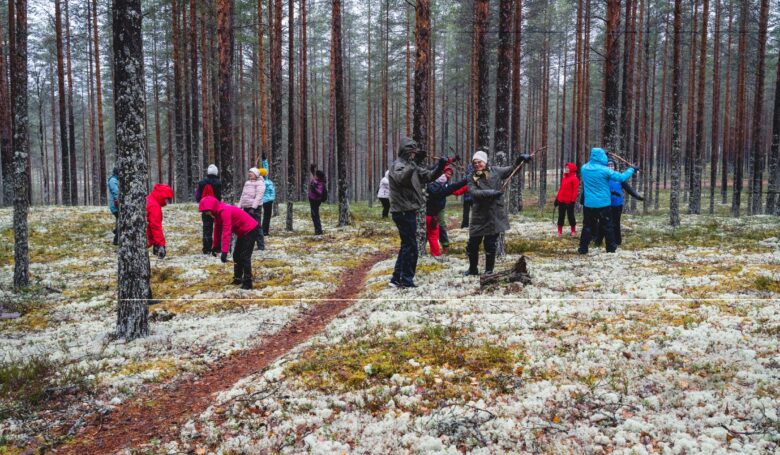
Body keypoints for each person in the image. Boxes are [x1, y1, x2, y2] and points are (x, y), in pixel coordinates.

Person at [388, 137, 448, 288]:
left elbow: (428, 176)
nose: (414, 154)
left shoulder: (410, 165)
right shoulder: (398, 165)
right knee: (411, 246)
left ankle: (396, 279)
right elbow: (401, 178)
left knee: (407, 245)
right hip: (402, 211)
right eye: (412, 151)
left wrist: (440, 167)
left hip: (408, 210)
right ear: (405, 151)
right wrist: (414, 164)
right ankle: (406, 280)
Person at [465, 150, 531, 276]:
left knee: (490, 244)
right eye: (475, 163)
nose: (477, 165)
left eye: (480, 162)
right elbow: (473, 192)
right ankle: (472, 269)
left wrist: (519, 160)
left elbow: (513, 170)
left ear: (485, 162)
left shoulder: (495, 171)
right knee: (472, 244)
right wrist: (492, 193)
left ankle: (489, 271)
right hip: (479, 215)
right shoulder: (472, 176)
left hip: (494, 214)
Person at [577, 148, 636, 254]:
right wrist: (632, 169)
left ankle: (583, 248)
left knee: (587, 226)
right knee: (608, 226)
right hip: (603, 204)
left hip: (589, 204)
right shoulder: (605, 170)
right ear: (602, 157)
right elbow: (621, 178)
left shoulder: (584, 168)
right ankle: (611, 248)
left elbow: (594, 162)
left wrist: (603, 154)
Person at [199, 196, 260, 290]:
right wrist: (215, 247)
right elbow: (217, 230)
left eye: (207, 211)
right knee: (236, 255)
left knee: (244, 256)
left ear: (212, 208)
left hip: (250, 230)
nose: (206, 214)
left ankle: (248, 282)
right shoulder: (218, 214)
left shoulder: (225, 211)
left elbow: (226, 232)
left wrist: (224, 251)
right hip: (242, 232)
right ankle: (238, 278)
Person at [594, 160, 644, 247]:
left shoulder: (618, 177)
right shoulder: (603, 177)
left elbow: (628, 188)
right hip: (605, 204)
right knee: (602, 223)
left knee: (616, 223)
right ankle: (598, 242)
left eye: (612, 165)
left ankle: (617, 241)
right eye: (608, 165)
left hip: (617, 204)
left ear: (615, 167)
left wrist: (637, 196)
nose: (610, 167)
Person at [426, 163, 467, 257]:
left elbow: (457, 191)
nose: (448, 175)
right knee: (433, 229)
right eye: (446, 173)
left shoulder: (446, 185)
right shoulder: (433, 183)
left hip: (439, 210)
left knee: (440, 227)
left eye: (450, 174)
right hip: (431, 211)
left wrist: (467, 187)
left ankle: (445, 246)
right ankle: (435, 250)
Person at [195, 165, 222, 254]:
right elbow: (220, 196)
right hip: (216, 208)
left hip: (205, 209)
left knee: (207, 228)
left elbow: (198, 196)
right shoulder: (219, 182)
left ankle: (206, 249)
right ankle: (218, 247)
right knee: (218, 227)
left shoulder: (201, 182)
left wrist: (202, 202)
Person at [238, 167, 266, 250]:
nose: (250, 174)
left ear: (256, 174)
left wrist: (253, 208)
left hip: (255, 208)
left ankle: (261, 246)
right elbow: (243, 195)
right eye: (249, 172)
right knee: (247, 227)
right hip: (246, 208)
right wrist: (239, 206)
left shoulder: (260, 183)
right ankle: (248, 244)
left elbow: (259, 196)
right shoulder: (247, 183)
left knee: (257, 226)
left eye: (252, 173)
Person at [147, 184, 174, 259]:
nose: (167, 201)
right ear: (162, 195)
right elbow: (155, 226)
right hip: (144, 237)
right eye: (167, 198)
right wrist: (160, 245)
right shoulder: (154, 206)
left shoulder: (150, 199)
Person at [554, 162, 580, 237]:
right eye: (566, 168)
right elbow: (561, 189)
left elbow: (575, 191)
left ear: (572, 169)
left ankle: (573, 230)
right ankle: (559, 231)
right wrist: (557, 199)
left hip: (569, 202)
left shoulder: (575, 179)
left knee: (570, 216)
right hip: (561, 200)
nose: (566, 169)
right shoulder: (564, 178)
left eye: (568, 168)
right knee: (561, 216)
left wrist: (573, 201)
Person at [308, 164, 328, 236]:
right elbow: (313, 174)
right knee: (314, 215)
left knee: (315, 215)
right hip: (312, 199)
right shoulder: (316, 179)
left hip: (315, 201)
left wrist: (314, 189)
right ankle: (318, 230)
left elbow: (319, 192)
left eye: (316, 175)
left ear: (319, 177)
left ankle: (318, 231)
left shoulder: (320, 183)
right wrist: (312, 168)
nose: (315, 176)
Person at [261, 155, 276, 237]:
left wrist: (264, 160)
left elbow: (266, 169)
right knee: (267, 216)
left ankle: (265, 231)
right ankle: (264, 231)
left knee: (267, 216)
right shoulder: (262, 181)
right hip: (266, 201)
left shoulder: (265, 179)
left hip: (269, 200)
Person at [107, 167, 119, 245]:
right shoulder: (113, 180)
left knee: (119, 220)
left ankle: (116, 232)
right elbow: (115, 192)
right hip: (115, 205)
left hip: (115, 204)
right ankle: (116, 239)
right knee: (121, 220)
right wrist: (117, 200)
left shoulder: (114, 180)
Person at [461, 163, 474, 229]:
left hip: (471, 198)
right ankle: (465, 225)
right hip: (469, 198)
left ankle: (465, 225)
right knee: (467, 213)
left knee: (468, 213)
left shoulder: (468, 177)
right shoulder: (468, 177)